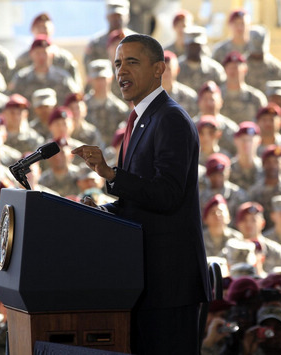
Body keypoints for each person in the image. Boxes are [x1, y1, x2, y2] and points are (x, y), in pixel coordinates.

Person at [72, 34, 210, 354]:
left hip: (169, 286)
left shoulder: (170, 119)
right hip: (144, 282)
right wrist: (102, 212)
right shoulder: (140, 120)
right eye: (118, 63)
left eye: (132, 62)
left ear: (159, 68)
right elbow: (140, 200)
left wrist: (111, 174)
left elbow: (167, 195)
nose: (122, 71)